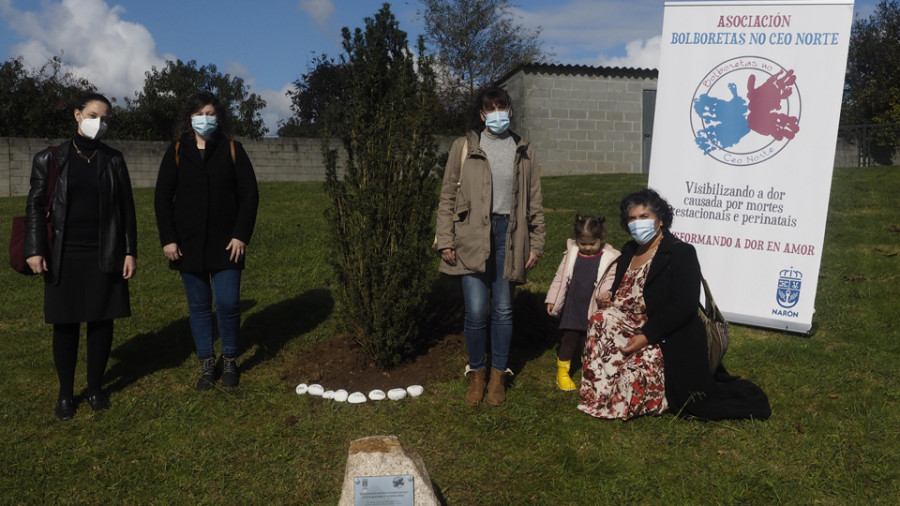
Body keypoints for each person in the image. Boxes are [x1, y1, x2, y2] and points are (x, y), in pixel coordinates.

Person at [578, 189, 771, 420]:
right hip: (626, 326)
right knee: (600, 318)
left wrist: (647, 336)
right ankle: (597, 395)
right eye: (632, 218)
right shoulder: (629, 250)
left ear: (660, 220)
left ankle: (653, 391)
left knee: (630, 382)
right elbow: (626, 290)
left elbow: (684, 305)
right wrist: (609, 296)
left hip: (663, 336)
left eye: (644, 217)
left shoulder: (680, 253)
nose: (637, 223)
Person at [24, 93, 138, 421]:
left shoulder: (113, 159)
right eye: (92, 115)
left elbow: (126, 210)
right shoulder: (51, 158)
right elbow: (34, 205)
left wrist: (129, 250)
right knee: (66, 323)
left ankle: (95, 388)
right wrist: (35, 249)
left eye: (104, 119)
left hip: (104, 251)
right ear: (77, 115)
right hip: (64, 252)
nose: (98, 123)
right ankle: (64, 393)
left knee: (101, 320)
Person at [435, 86, 545, 406]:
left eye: (502, 106)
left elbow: (534, 199)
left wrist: (536, 243)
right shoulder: (464, 147)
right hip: (470, 235)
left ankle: (498, 373)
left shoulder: (523, 149)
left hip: (510, 236)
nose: (497, 112)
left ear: (510, 109)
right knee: (477, 310)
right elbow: (447, 197)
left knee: (503, 309)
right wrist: (446, 238)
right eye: (490, 108)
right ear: (481, 113)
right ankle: (477, 372)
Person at [154, 91, 259, 391]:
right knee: (199, 306)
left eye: (210, 114)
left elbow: (249, 195)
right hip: (187, 244)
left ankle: (229, 361)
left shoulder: (232, 149)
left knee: (227, 302)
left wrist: (241, 234)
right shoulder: (176, 150)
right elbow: (162, 197)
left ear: (219, 118)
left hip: (227, 243)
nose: (204, 119)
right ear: (189, 118)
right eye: (199, 114)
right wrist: (168, 239)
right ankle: (206, 365)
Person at [545, 214, 620, 391]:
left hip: (592, 305)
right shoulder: (572, 254)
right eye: (582, 243)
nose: (586, 248)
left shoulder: (609, 258)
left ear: (601, 237)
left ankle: (588, 365)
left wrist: (606, 294)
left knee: (589, 339)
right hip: (573, 305)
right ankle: (562, 372)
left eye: (591, 244)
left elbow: (609, 280)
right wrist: (552, 299)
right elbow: (560, 278)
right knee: (569, 339)